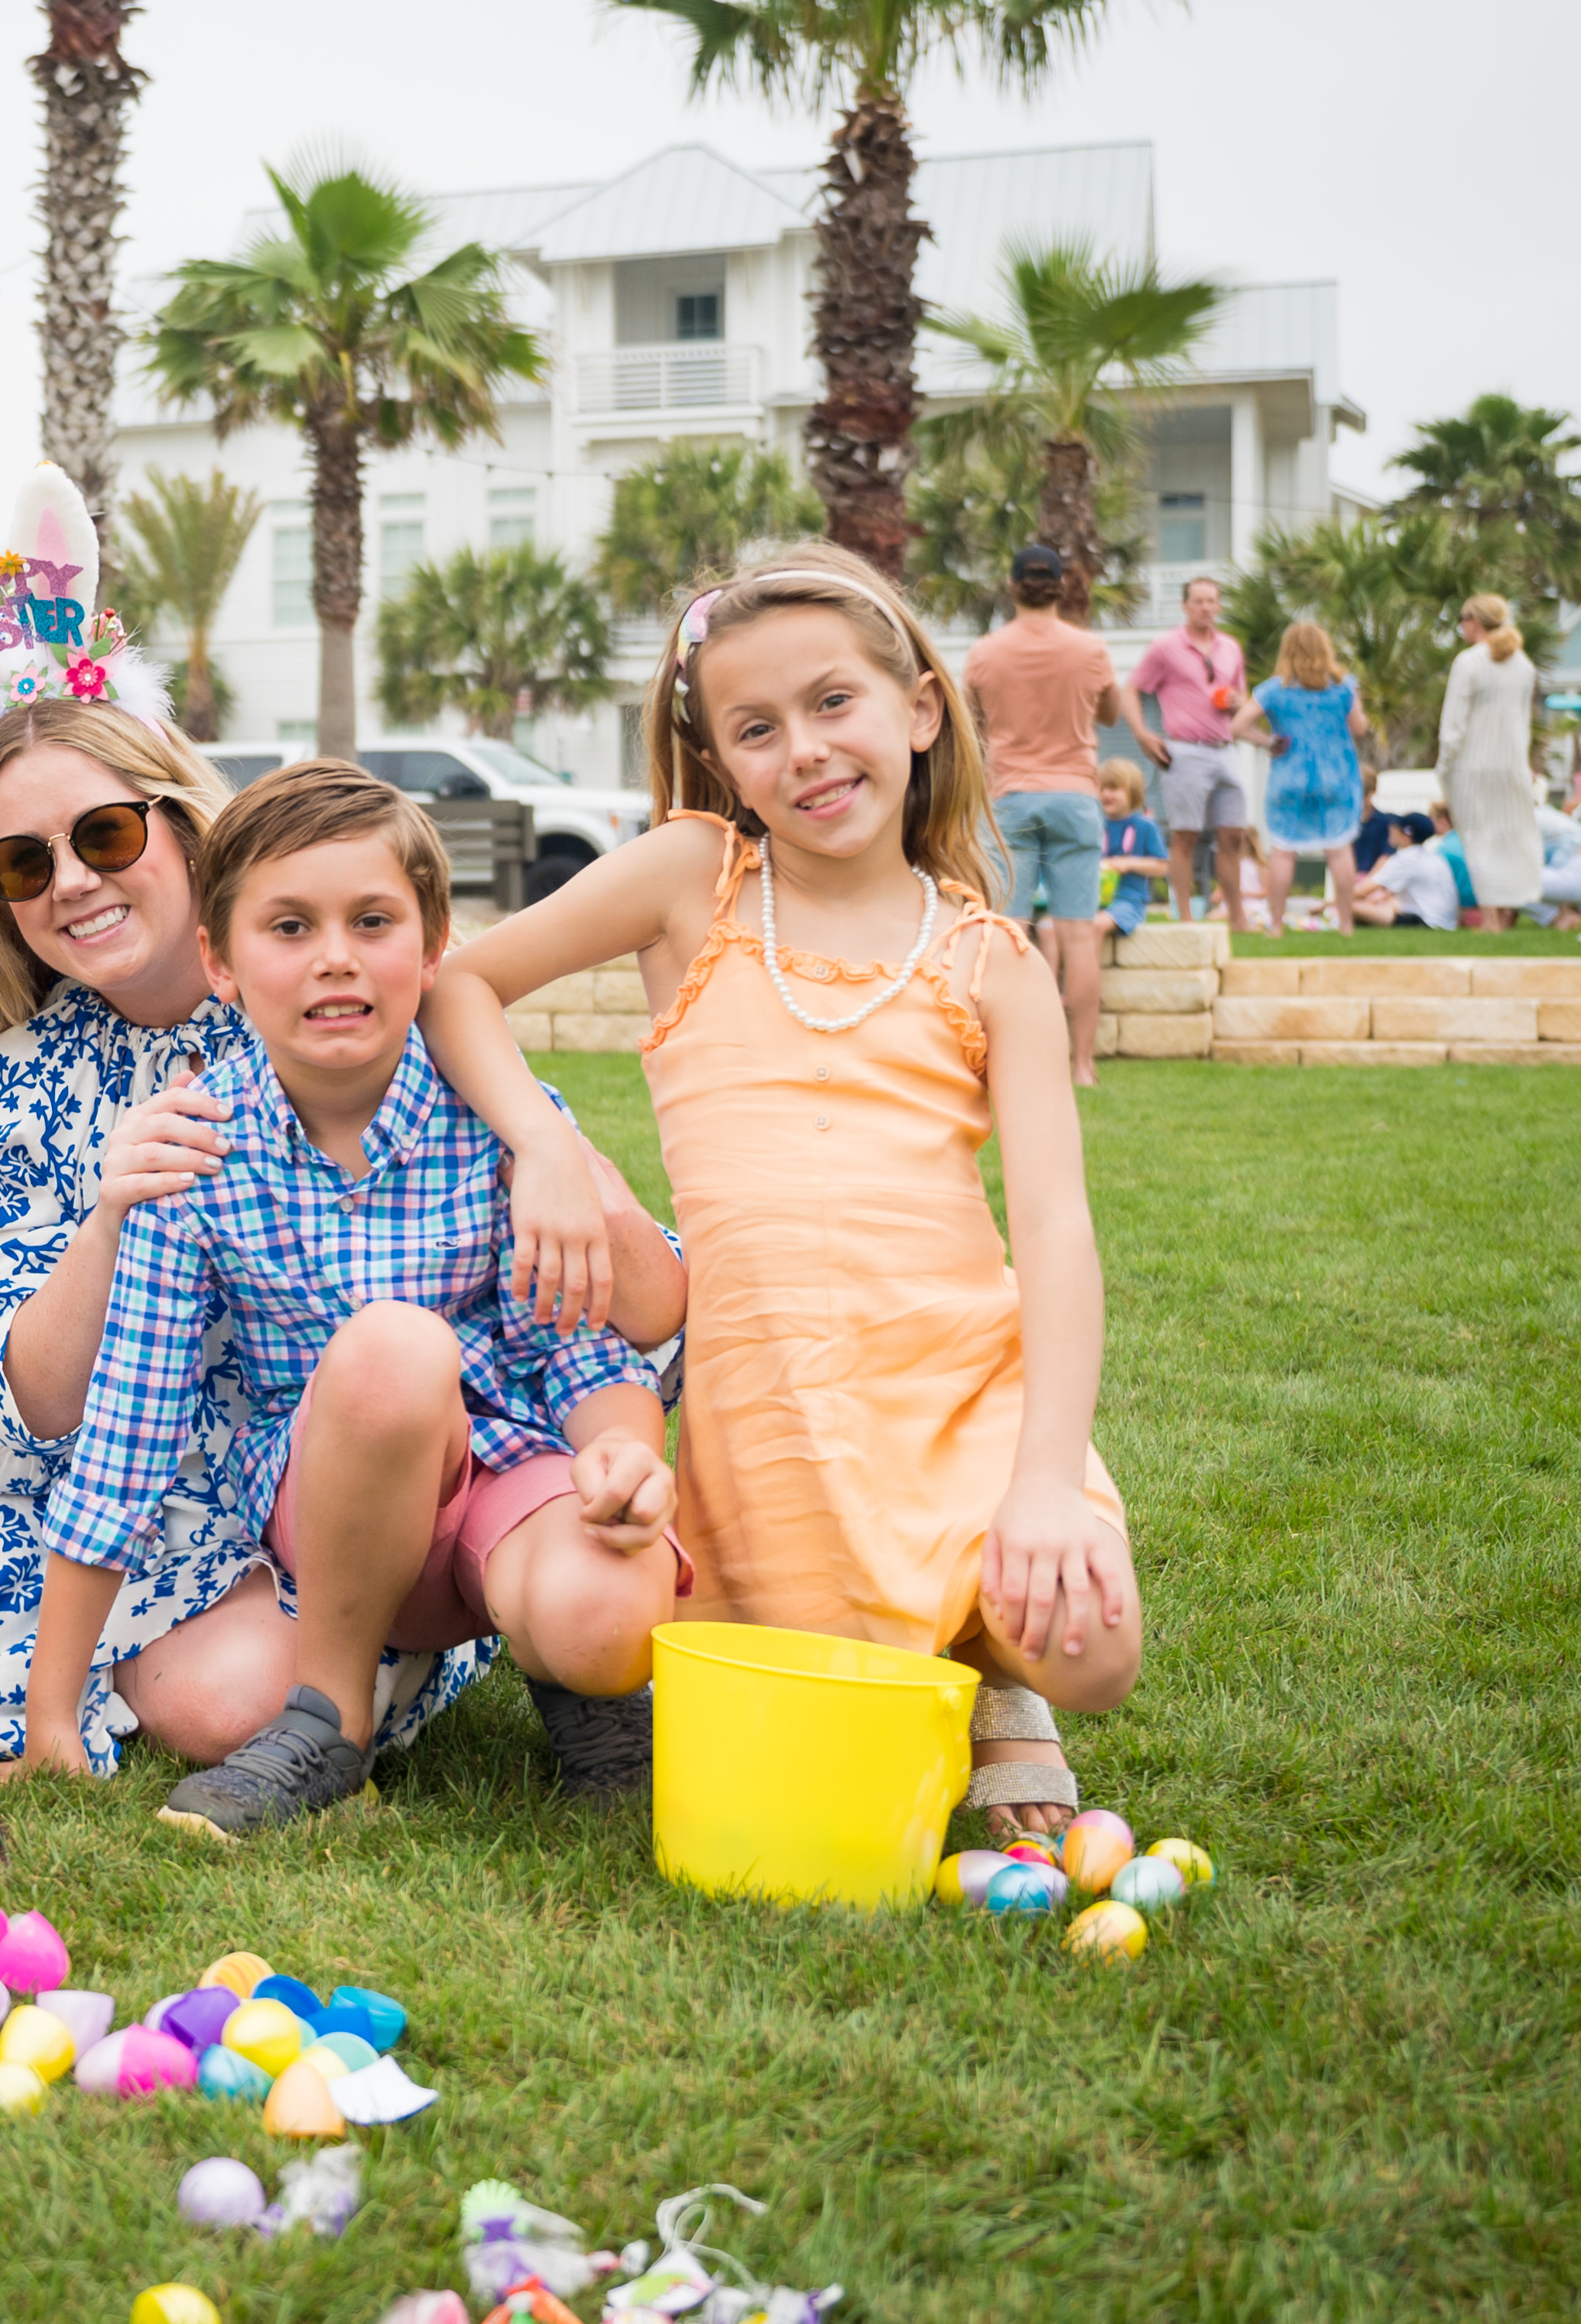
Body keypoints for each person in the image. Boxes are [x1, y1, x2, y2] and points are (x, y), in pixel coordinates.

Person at [0, 703, 689, 1788]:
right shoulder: (26, 1087)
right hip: (212, 1480)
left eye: (106, 836)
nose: (70, 881)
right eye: (22, 865)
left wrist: (543, 1139)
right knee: (191, 1688)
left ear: (181, 829)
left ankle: (519, 1649)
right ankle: (323, 1691)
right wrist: (111, 1215)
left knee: (428, 1403)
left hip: (433, 1456)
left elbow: (602, 1313)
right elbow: (10, 1421)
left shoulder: (345, 1013)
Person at [424, 544, 1139, 1843]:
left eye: (834, 702)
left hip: (965, 1384)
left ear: (920, 709)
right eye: (757, 727)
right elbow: (459, 984)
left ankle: (1005, 1676)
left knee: (1094, 1644)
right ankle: (958, 1662)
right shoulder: (692, 881)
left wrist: (1042, 1480)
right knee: (810, 1694)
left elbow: (1056, 1229)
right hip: (777, 1405)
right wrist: (544, 1144)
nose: (803, 749)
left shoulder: (993, 960)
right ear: (722, 756)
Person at [21, 762, 679, 1842]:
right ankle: (328, 1715)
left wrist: (619, 1456)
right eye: (288, 927)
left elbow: (578, 1347)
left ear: (429, 952)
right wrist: (52, 1712)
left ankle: (593, 1696)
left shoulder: (505, 1124)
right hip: (331, 1514)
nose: (333, 955)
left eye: (370, 921)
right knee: (388, 1350)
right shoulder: (197, 1151)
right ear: (221, 964)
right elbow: (123, 1438)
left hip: (500, 1483)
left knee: (604, 1617)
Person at [961, 544, 1128, 1085]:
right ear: (1061, 588)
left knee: (1007, 934)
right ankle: (1081, 1065)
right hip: (1076, 797)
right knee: (1077, 936)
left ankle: (1005, 1061)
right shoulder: (1090, 649)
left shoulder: (985, 653)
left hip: (1008, 797)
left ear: (1011, 586)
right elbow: (1107, 712)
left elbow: (972, 725)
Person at [1125, 574, 1254, 925]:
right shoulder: (1165, 647)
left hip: (1226, 748)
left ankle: (1237, 918)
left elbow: (1242, 699)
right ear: (1185, 606)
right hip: (1185, 750)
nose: (1206, 608)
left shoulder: (1230, 648)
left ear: (1219, 605)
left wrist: (1238, 701)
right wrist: (1141, 733)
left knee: (1233, 834)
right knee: (1186, 835)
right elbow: (1131, 689)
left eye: (1212, 601)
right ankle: (1185, 916)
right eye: (1198, 601)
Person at [1235, 621, 1371, 938]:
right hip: (1336, 776)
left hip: (1289, 776)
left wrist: (1267, 742)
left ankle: (1277, 926)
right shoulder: (1344, 686)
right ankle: (1347, 925)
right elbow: (1360, 728)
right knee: (1339, 850)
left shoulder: (1274, 689)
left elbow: (1237, 726)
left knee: (1283, 851)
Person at [1440, 595, 1543, 932]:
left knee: (1479, 839)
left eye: (1463, 618)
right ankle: (1506, 916)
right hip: (1511, 764)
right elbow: (1525, 723)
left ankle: (1490, 920)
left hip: (1474, 765)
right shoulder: (1524, 665)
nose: (1461, 625)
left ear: (1476, 621)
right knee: (1511, 839)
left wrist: (1444, 765)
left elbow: (1453, 725)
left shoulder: (1469, 662)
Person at [1094, 757, 1169, 939]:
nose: (1106, 795)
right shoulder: (1094, 825)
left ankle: (1088, 969)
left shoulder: (1145, 826)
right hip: (1093, 900)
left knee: (1096, 925)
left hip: (1129, 902)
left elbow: (1162, 866)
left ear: (1133, 792)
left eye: (1113, 788)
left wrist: (1128, 863)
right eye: (1101, 789)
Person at [1351, 813, 1461, 929]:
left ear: (1406, 836)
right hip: (1446, 922)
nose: (1391, 830)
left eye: (1396, 828)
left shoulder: (1405, 859)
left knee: (1351, 906)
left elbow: (1363, 891)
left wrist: (1332, 902)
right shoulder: (1434, 858)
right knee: (1385, 902)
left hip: (1427, 922)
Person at [1534, 802, 1581, 927]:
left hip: (1579, 876)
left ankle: (1558, 917)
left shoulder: (1530, 818)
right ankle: (1567, 913)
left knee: (1505, 880)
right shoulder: (1546, 813)